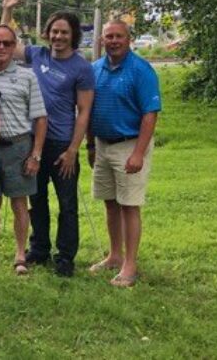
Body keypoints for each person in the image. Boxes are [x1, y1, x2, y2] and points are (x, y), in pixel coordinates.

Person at [1, 0, 94, 277]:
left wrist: (72, 150)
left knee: (67, 204)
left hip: (62, 145)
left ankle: (65, 256)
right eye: (54, 31)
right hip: (33, 143)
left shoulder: (82, 67)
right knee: (36, 199)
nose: (58, 37)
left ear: (73, 35)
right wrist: (8, 10)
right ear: (47, 33)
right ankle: (39, 249)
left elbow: (84, 112)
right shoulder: (37, 55)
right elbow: (3, 43)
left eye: (64, 32)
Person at [87, 20, 161, 288]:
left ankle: (130, 264)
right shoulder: (95, 70)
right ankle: (115, 256)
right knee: (110, 202)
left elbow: (150, 114)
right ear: (101, 40)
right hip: (102, 144)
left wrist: (139, 153)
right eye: (109, 36)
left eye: (118, 36)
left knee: (129, 205)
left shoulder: (141, 70)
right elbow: (87, 111)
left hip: (130, 145)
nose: (113, 40)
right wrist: (91, 146)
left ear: (128, 39)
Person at [0, 24, 47, 275]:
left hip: (18, 147)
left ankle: (20, 255)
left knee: (19, 203)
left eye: (7, 43)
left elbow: (40, 118)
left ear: (14, 45)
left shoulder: (27, 77)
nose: (1, 47)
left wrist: (35, 154)